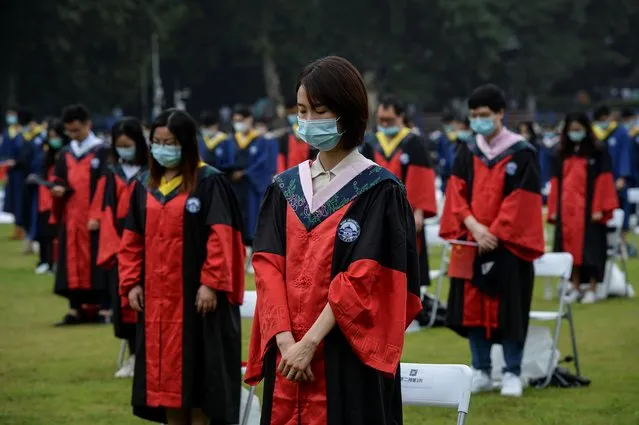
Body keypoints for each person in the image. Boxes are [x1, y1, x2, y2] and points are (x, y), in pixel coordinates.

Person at [245, 56, 423, 425]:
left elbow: (366, 278)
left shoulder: (379, 191)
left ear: (347, 112)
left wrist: (309, 344)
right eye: (302, 111)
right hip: (288, 354)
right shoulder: (285, 188)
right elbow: (267, 267)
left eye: (319, 111)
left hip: (346, 358)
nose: (308, 122)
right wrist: (285, 343)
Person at [118, 109, 245, 425]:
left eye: (170, 142)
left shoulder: (209, 182)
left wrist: (211, 283)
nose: (162, 148)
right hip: (159, 302)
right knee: (166, 384)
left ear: (187, 143)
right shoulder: (144, 185)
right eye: (157, 142)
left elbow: (222, 236)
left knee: (201, 381)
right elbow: (131, 239)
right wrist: (132, 282)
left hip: (198, 301)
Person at [439, 84, 545, 397]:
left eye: (484, 115)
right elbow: (455, 193)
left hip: (508, 246)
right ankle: (481, 369)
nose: (478, 122)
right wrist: (474, 228)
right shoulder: (467, 150)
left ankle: (512, 371)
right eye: (473, 116)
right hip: (474, 242)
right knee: (473, 308)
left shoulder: (522, 152)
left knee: (509, 307)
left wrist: (494, 232)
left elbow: (521, 199)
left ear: (500, 114)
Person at [361, 95, 437, 324]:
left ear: (401, 117)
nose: (384, 124)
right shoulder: (371, 143)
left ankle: (409, 308)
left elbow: (421, 178)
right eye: (381, 119)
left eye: (389, 119)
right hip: (375, 213)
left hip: (406, 213)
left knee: (406, 257)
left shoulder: (413, 143)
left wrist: (419, 212)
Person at [93, 117, 149, 378]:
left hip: (149, 240)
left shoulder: (152, 170)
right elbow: (106, 211)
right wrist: (116, 247)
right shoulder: (112, 172)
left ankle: (148, 357)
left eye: (128, 144)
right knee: (125, 302)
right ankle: (133, 357)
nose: (124, 149)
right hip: (119, 244)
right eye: (119, 145)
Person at [548, 112, 618, 304]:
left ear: (586, 130)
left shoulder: (597, 151)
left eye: (578, 129)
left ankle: (593, 288)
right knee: (568, 248)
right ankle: (575, 285)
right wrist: (554, 208)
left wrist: (599, 208)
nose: (574, 133)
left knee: (591, 248)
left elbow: (604, 181)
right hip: (568, 210)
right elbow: (556, 182)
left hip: (589, 209)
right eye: (571, 130)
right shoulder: (561, 152)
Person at [50, 104, 110, 326]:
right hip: (72, 216)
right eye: (69, 131)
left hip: (95, 217)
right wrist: (58, 189)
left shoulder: (102, 151)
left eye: (77, 130)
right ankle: (76, 308)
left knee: (97, 262)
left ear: (88, 125)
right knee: (72, 262)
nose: (73, 135)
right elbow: (58, 178)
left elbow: (105, 186)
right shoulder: (66, 153)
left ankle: (104, 308)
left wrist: (97, 215)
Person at [228, 105, 274, 251]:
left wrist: (244, 173)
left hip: (252, 186)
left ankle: (252, 248)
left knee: (253, 217)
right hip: (234, 185)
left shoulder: (261, 141)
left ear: (249, 119)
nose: (238, 124)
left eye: (241, 120)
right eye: (235, 120)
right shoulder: (230, 140)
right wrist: (230, 174)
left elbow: (263, 163)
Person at [34, 119, 69, 274]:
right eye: (50, 136)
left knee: (57, 234)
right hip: (45, 199)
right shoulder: (47, 154)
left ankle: (56, 262)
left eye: (55, 136)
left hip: (59, 200)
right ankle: (45, 261)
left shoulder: (67, 154)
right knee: (45, 233)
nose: (53, 139)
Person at [592, 105, 632, 238]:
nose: (603, 122)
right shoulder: (594, 133)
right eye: (600, 120)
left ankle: (622, 241)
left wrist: (622, 176)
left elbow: (625, 154)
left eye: (605, 119)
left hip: (617, 178)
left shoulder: (621, 132)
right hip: (599, 180)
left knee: (621, 208)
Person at [1, 107, 24, 240]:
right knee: (13, 201)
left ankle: (22, 229)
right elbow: (3, 153)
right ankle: (16, 229)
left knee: (21, 200)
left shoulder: (22, 132)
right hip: (10, 172)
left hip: (20, 171)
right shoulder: (7, 132)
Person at [277, 96, 317, 173]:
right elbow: (281, 160)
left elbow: (316, 157)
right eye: (289, 113)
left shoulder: (312, 133)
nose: (291, 116)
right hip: (292, 177)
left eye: (293, 112)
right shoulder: (286, 136)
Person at [432, 112, 459, 191]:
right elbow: (439, 153)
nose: (447, 126)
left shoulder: (460, 138)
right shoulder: (442, 138)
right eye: (445, 123)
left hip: (457, 172)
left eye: (448, 123)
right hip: (445, 172)